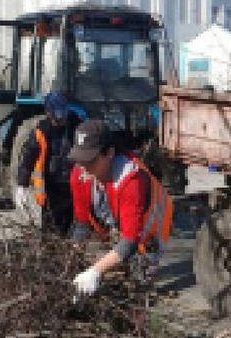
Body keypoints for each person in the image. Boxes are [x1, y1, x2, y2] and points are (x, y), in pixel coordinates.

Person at [69, 119, 173, 297]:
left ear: (109, 153)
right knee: (113, 268)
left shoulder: (130, 180)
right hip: (118, 221)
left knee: (139, 282)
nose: (83, 167)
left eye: (90, 161)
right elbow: (82, 222)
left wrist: (94, 271)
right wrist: (71, 260)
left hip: (152, 223)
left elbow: (129, 241)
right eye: (80, 159)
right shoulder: (80, 173)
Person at [14, 90, 82, 234]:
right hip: (51, 187)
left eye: (63, 115)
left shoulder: (76, 126)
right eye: (57, 115)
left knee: (74, 226)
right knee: (51, 227)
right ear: (48, 112)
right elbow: (28, 158)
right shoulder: (41, 131)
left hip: (74, 185)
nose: (61, 119)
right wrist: (21, 184)